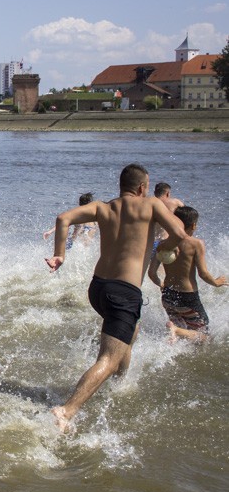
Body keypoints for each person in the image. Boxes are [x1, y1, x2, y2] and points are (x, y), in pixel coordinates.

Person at [45, 163, 187, 431]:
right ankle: (66, 411)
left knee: (130, 334)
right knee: (107, 359)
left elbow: (63, 218)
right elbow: (180, 233)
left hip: (98, 289)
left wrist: (60, 254)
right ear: (143, 188)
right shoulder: (152, 205)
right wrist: (163, 248)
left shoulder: (102, 207)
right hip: (124, 292)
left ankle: (120, 383)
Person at [147, 206, 226, 343]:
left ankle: (176, 332)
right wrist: (216, 282)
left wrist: (161, 284)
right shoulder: (196, 244)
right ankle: (176, 330)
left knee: (186, 330)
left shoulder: (162, 244)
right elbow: (203, 274)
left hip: (168, 296)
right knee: (205, 336)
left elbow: (152, 273)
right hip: (188, 298)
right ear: (194, 225)